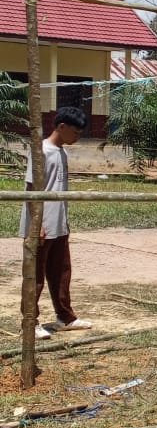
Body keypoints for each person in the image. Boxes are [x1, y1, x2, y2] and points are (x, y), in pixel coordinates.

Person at [20, 106, 92, 340]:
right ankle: (30, 322)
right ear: (61, 127)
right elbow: (31, 188)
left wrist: (64, 220)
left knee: (61, 272)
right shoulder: (40, 150)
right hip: (40, 225)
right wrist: (37, 224)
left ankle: (65, 317)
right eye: (75, 132)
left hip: (59, 223)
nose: (77, 137)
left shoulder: (62, 152)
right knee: (35, 276)